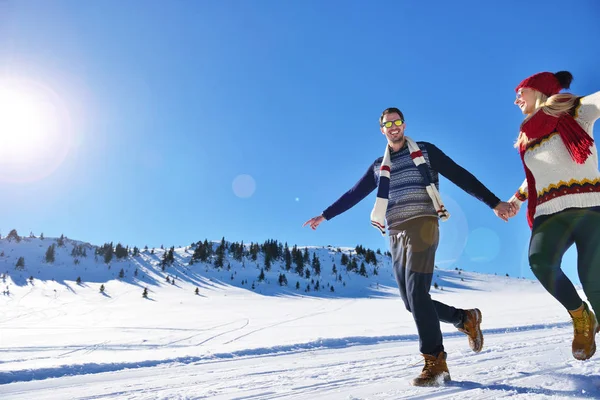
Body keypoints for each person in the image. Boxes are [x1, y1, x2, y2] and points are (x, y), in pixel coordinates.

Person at [303, 107, 515, 386]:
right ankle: (464, 318)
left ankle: (435, 361)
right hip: (396, 233)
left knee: (417, 294)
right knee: (411, 303)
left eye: (397, 122)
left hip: (423, 224)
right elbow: (354, 193)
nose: (393, 127)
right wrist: (325, 214)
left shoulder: (425, 152)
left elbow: (460, 175)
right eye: (388, 123)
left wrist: (493, 202)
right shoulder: (379, 166)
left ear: (404, 125)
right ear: (382, 129)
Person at [507, 71, 600, 361]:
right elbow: (538, 175)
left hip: (590, 208)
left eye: (521, 92)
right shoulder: (527, 137)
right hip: (550, 212)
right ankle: (581, 316)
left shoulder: (576, 111)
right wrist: (516, 199)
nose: (516, 100)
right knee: (540, 261)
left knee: (593, 278)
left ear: (539, 90)